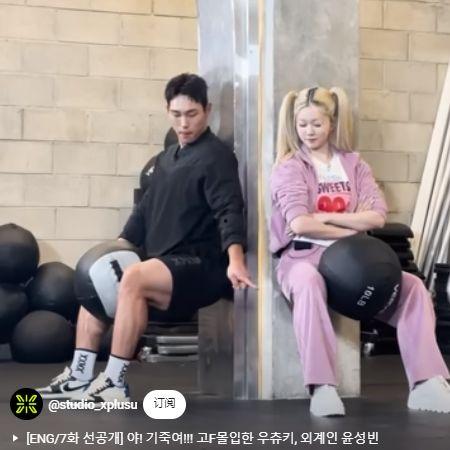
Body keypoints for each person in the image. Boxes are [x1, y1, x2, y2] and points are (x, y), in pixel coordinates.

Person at [37, 73, 255, 402]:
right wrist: (115, 247)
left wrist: (235, 260)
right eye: (176, 114)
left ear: (207, 110)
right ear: (167, 111)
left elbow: (229, 209)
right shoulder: (166, 159)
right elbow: (143, 213)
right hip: (165, 263)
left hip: (202, 266)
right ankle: (79, 377)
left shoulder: (216, 157)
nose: (184, 123)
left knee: (134, 277)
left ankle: (114, 383)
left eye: (192, 114)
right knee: (95, 276)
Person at [270, 86, 450, 417]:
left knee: (412, 287)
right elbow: (299, 223)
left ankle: (426, 383)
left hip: (353, 260)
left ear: (332, 123)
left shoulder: (354, 164)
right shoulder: (290, 167)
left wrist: (325, 217)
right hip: (302, 257)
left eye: (317, 124)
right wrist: (350, 226)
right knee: (307, 281)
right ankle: (322, 387)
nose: (309, 132)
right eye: (302, 125)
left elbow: (377, 215)